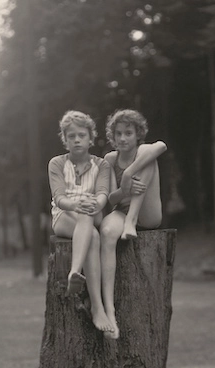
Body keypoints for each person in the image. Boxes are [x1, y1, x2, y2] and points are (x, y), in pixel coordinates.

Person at [99, 109, 166, 339]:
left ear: (138, 133)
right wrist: (124, 188)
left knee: (148, 154)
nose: (123, 138)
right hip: (121, 211)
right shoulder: (109, 159)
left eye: (128, 133)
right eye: (118, 133)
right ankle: (109, 312)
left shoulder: (143, 149)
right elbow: (110, 199)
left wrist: (129, 173)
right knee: (107, 231)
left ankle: (132, 221)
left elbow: (162, 146)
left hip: (147, 215)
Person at [47, 110, 115, 335]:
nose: (77, 140)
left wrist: (94, 204)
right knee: (93, 237)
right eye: (72, 136)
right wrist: (76, 205)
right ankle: (98, 308)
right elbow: (59, 198)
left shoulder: (101, 165)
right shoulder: (56, 163)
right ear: (65, 140)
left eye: (82, 135)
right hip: (64, 216)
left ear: (90, 138)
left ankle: (74, 271)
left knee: (88, 207)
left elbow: (104, 193)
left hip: (92, 211)